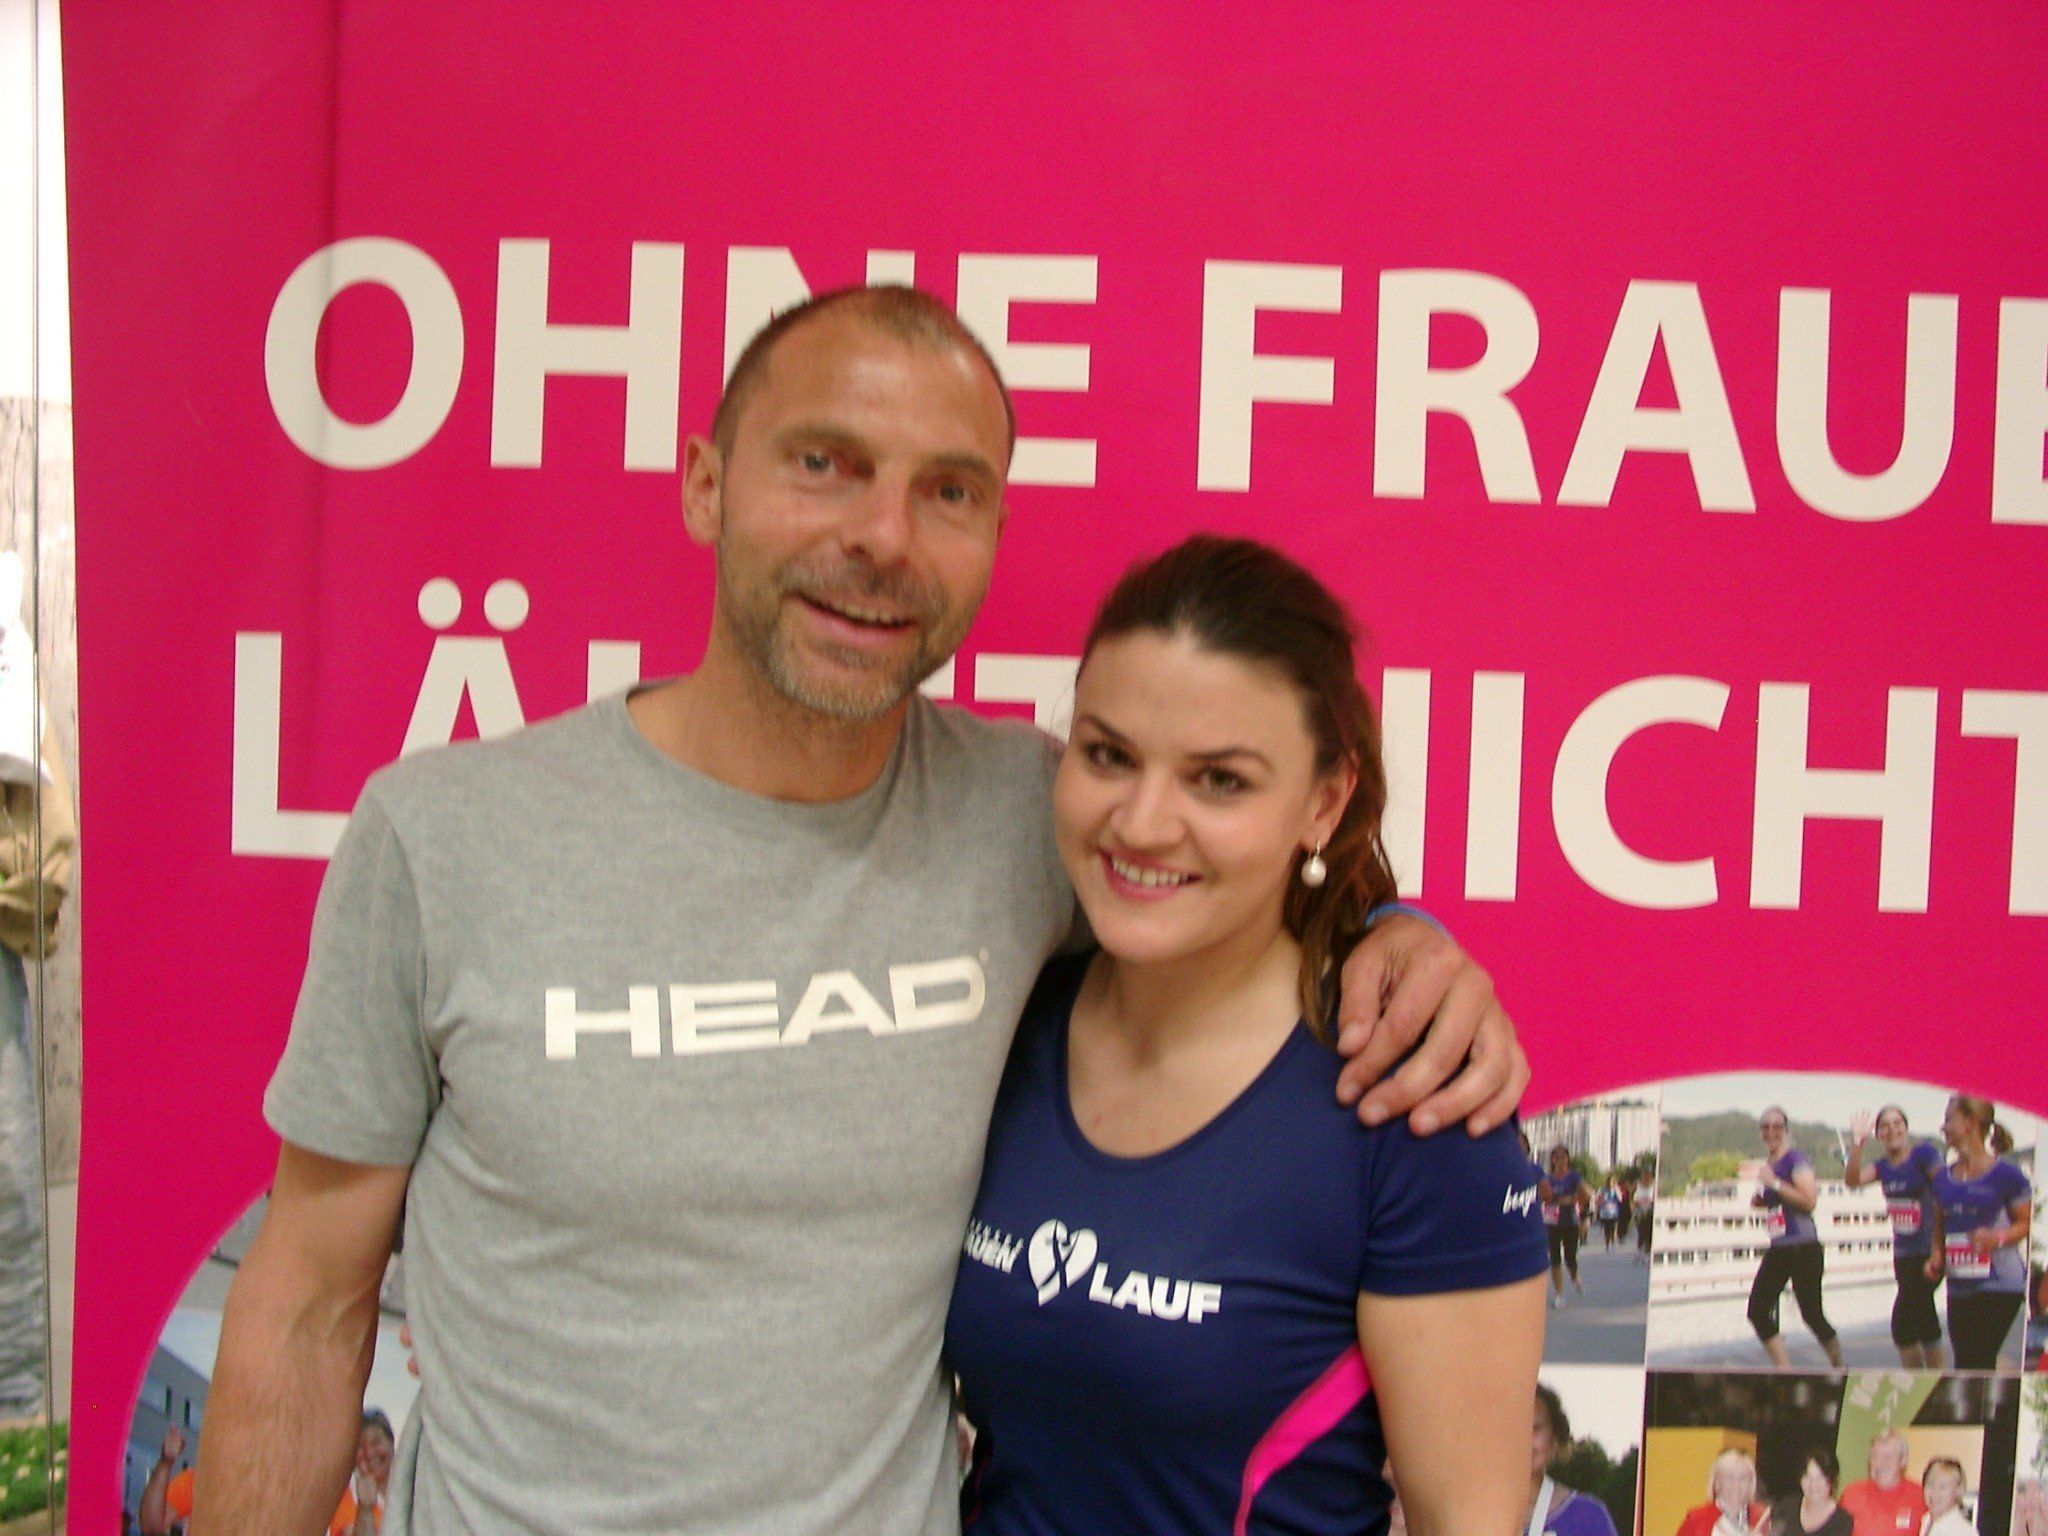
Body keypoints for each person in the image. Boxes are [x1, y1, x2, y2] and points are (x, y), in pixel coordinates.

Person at [194, 287, 1530, 1536]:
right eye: (822, 462)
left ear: (995, 536)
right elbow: (309, 1299)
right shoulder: (446, 835)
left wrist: (1400, 941)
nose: (883, 538)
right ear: (707, 486)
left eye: (948, 491)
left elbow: (1227, 884)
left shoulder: (1036, 815)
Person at [942, 538, 1549, 1535]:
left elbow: (1468, 1519)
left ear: (1322, 802)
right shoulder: (1005, 1019)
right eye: (1107, 755)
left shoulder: (1409, 1098)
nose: (1141, 823)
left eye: (1217, 781)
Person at [145, 1415, 391, 1536]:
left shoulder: (319, 1493)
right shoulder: (205, 1479)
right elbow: (152, 1524)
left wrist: (367, 1509)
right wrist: (166, 1462)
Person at [1925, 1094, 2032, 1371]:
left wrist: (1996, 1238)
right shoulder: (1941, 1178)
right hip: (1959, 1286)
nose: (1943, 1126)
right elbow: (1940, 1226)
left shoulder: (2008, 1176)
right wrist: (1936, 1256)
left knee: (1975, 1364)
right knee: (1968, 1366)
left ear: (1970, 1123)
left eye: (1949, 1119)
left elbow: (2026, 1223)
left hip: (1999, 1286)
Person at [1846, 1106, 1946, 1368]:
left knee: (1904, 1322)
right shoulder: (1882, 1167)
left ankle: (1931, 1384)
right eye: (1885, 1126)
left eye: (1897, 1123)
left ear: (1906, 1127)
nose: (1892, 1130)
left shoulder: (1924, 1155)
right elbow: (1852, 1180)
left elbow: (1945, 1192)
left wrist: (1939, 1251)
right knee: (1920, 1318)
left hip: (1929, 1252)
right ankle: (1927, 1385)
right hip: (1903, 1256)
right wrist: (1858, 1142)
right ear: (1878, 1134)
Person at [1747, 1107, 1843, 1368]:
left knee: (1812, 1314)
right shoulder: (1770, 1165)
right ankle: (1784, 1369)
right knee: (1758, 1311)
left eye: (1777, 1126)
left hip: (1803, 1247)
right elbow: (1777, 1202)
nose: (1771, 1132)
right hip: (1780, 1247)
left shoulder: (1795, 1159)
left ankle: (1839, 1366)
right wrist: (1762, 1198)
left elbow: (1809, 1200)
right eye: (1765, 1127)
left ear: (1787, 1130)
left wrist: (1775, 1184)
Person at [1525, 1383, 1619, 1536]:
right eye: (1512, 1428)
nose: (1523, 1439)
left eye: (1534, 1428)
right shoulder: (1473, 1514)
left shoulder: (1588, 1518)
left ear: (1555, 1439)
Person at [1840, 1430, 1926, 1536]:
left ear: (1903, 1461)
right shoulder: (1852, 1494)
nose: (1879, 1463)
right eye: (1874, 1456)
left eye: (1887, 1457)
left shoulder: (1920, 1496)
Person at [1674, 1448, 1769, 1536]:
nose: (1736, 1485)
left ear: (1751, 1483)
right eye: (1729, 1478)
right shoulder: (1697, 1519)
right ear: (1716, 1483)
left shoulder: (1762, 1518)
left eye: (1743, 1478)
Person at [1541, 1146, 1590, 1308]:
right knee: (1554, 1258)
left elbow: (1585, 1196)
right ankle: (1559, 1294)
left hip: (1570, 1222)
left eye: (1563, 1157)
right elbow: (1543, 1197)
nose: (1560, 1161)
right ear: (1552, 1160)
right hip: (1552, 1223)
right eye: (1556, 1158)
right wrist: (1554, 1200)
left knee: (1570, 1258)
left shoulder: (1573, 1177)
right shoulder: (1548, 1179)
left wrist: (1573, 1202)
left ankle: (1575, 1277)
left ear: (1568, 1159)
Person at [1775, 1449, 1854, 1536]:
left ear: (1831, 1479)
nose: (1813, 1485)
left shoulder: (1842, 1522)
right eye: (1807, 1476)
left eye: (1821, 1477)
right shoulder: (1786, 1507)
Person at [1919, 1458, 1975, 1536]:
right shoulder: (1926, 1522)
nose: (1935, 1492)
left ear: (1958, 1491)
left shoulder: (1963, 1532)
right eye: (1930, 1484)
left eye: (1942, 1487)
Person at [1634, 1172, 1657, 1266]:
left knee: (1649, 1235)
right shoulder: (1638, 1185)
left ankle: (1647, 1256)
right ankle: (1639, 1254)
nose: (1646, 1177)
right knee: (1641, 1233)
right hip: (1640, 1212)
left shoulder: (1654, 1185)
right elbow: (1634, 1199)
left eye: (1648, 1175)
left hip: (1650, 1212)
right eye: (1645, 1175)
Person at [1598, 1179, 1623, 1249]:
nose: (1610, 1184)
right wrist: (1601, 1200)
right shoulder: (1602, 1190)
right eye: (1608, 1183)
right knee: (1606, 1229)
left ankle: (1613, 1241)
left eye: (1611, 1183)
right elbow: (1598, 1200)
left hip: (1614, 1213)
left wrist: (1617, 1191)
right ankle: (1607, 1244)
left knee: (1614, 1228)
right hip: (1605, 1213)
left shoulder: (1615, 1190)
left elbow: (1620, 1199)